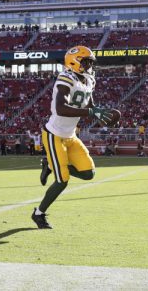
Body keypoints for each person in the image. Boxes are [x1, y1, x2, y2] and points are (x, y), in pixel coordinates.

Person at [32, 46, 118, 229]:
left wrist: (103, 117)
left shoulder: (89, 79)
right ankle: (38, 214)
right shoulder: (65, 78)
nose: (89, 65)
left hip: (70, 135)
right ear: (74, 61)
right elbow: (61, 108)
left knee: (89, 173)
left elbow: (90, 105)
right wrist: (90, 112)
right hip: (53, 134)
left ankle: (50, 164)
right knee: (62, 180)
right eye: (86, 61)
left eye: (89, 62)